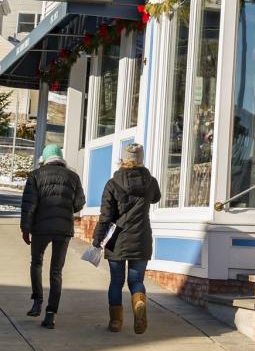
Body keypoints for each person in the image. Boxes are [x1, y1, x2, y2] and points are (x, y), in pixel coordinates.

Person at [92, 142, 161, 334]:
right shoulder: (150, 182)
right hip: (142, 238)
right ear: (141, 159)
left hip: (117, 240)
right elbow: (156, 197)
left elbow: (105, 217)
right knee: (136, 280)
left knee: (116, 281)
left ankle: (116, 321)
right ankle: (139, 304)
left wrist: (97, 241)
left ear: (123, 159)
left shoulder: (113, 183)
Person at [20, 143, 85, 329]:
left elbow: (28, 205)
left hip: (40, 228)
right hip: (63, 229)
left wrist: (25, 229)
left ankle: (37, 301)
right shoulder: (73, 176)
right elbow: (79, 203)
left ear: (45, 159)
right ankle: (50, 314)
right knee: (56, 271)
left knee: (36, 263)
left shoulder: (35, 176)